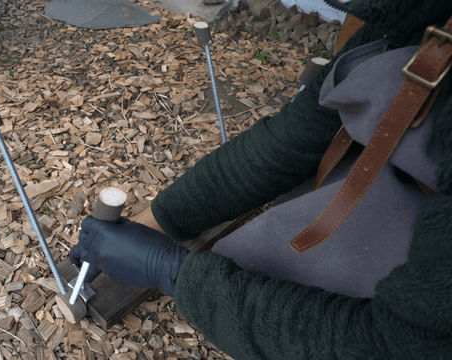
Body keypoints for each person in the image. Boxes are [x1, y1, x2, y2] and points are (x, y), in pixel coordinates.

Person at [71, 0, 452, 358]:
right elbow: (291, 140)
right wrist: (157, 221)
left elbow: (388, 345)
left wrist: (172, 272)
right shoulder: (420, 14)